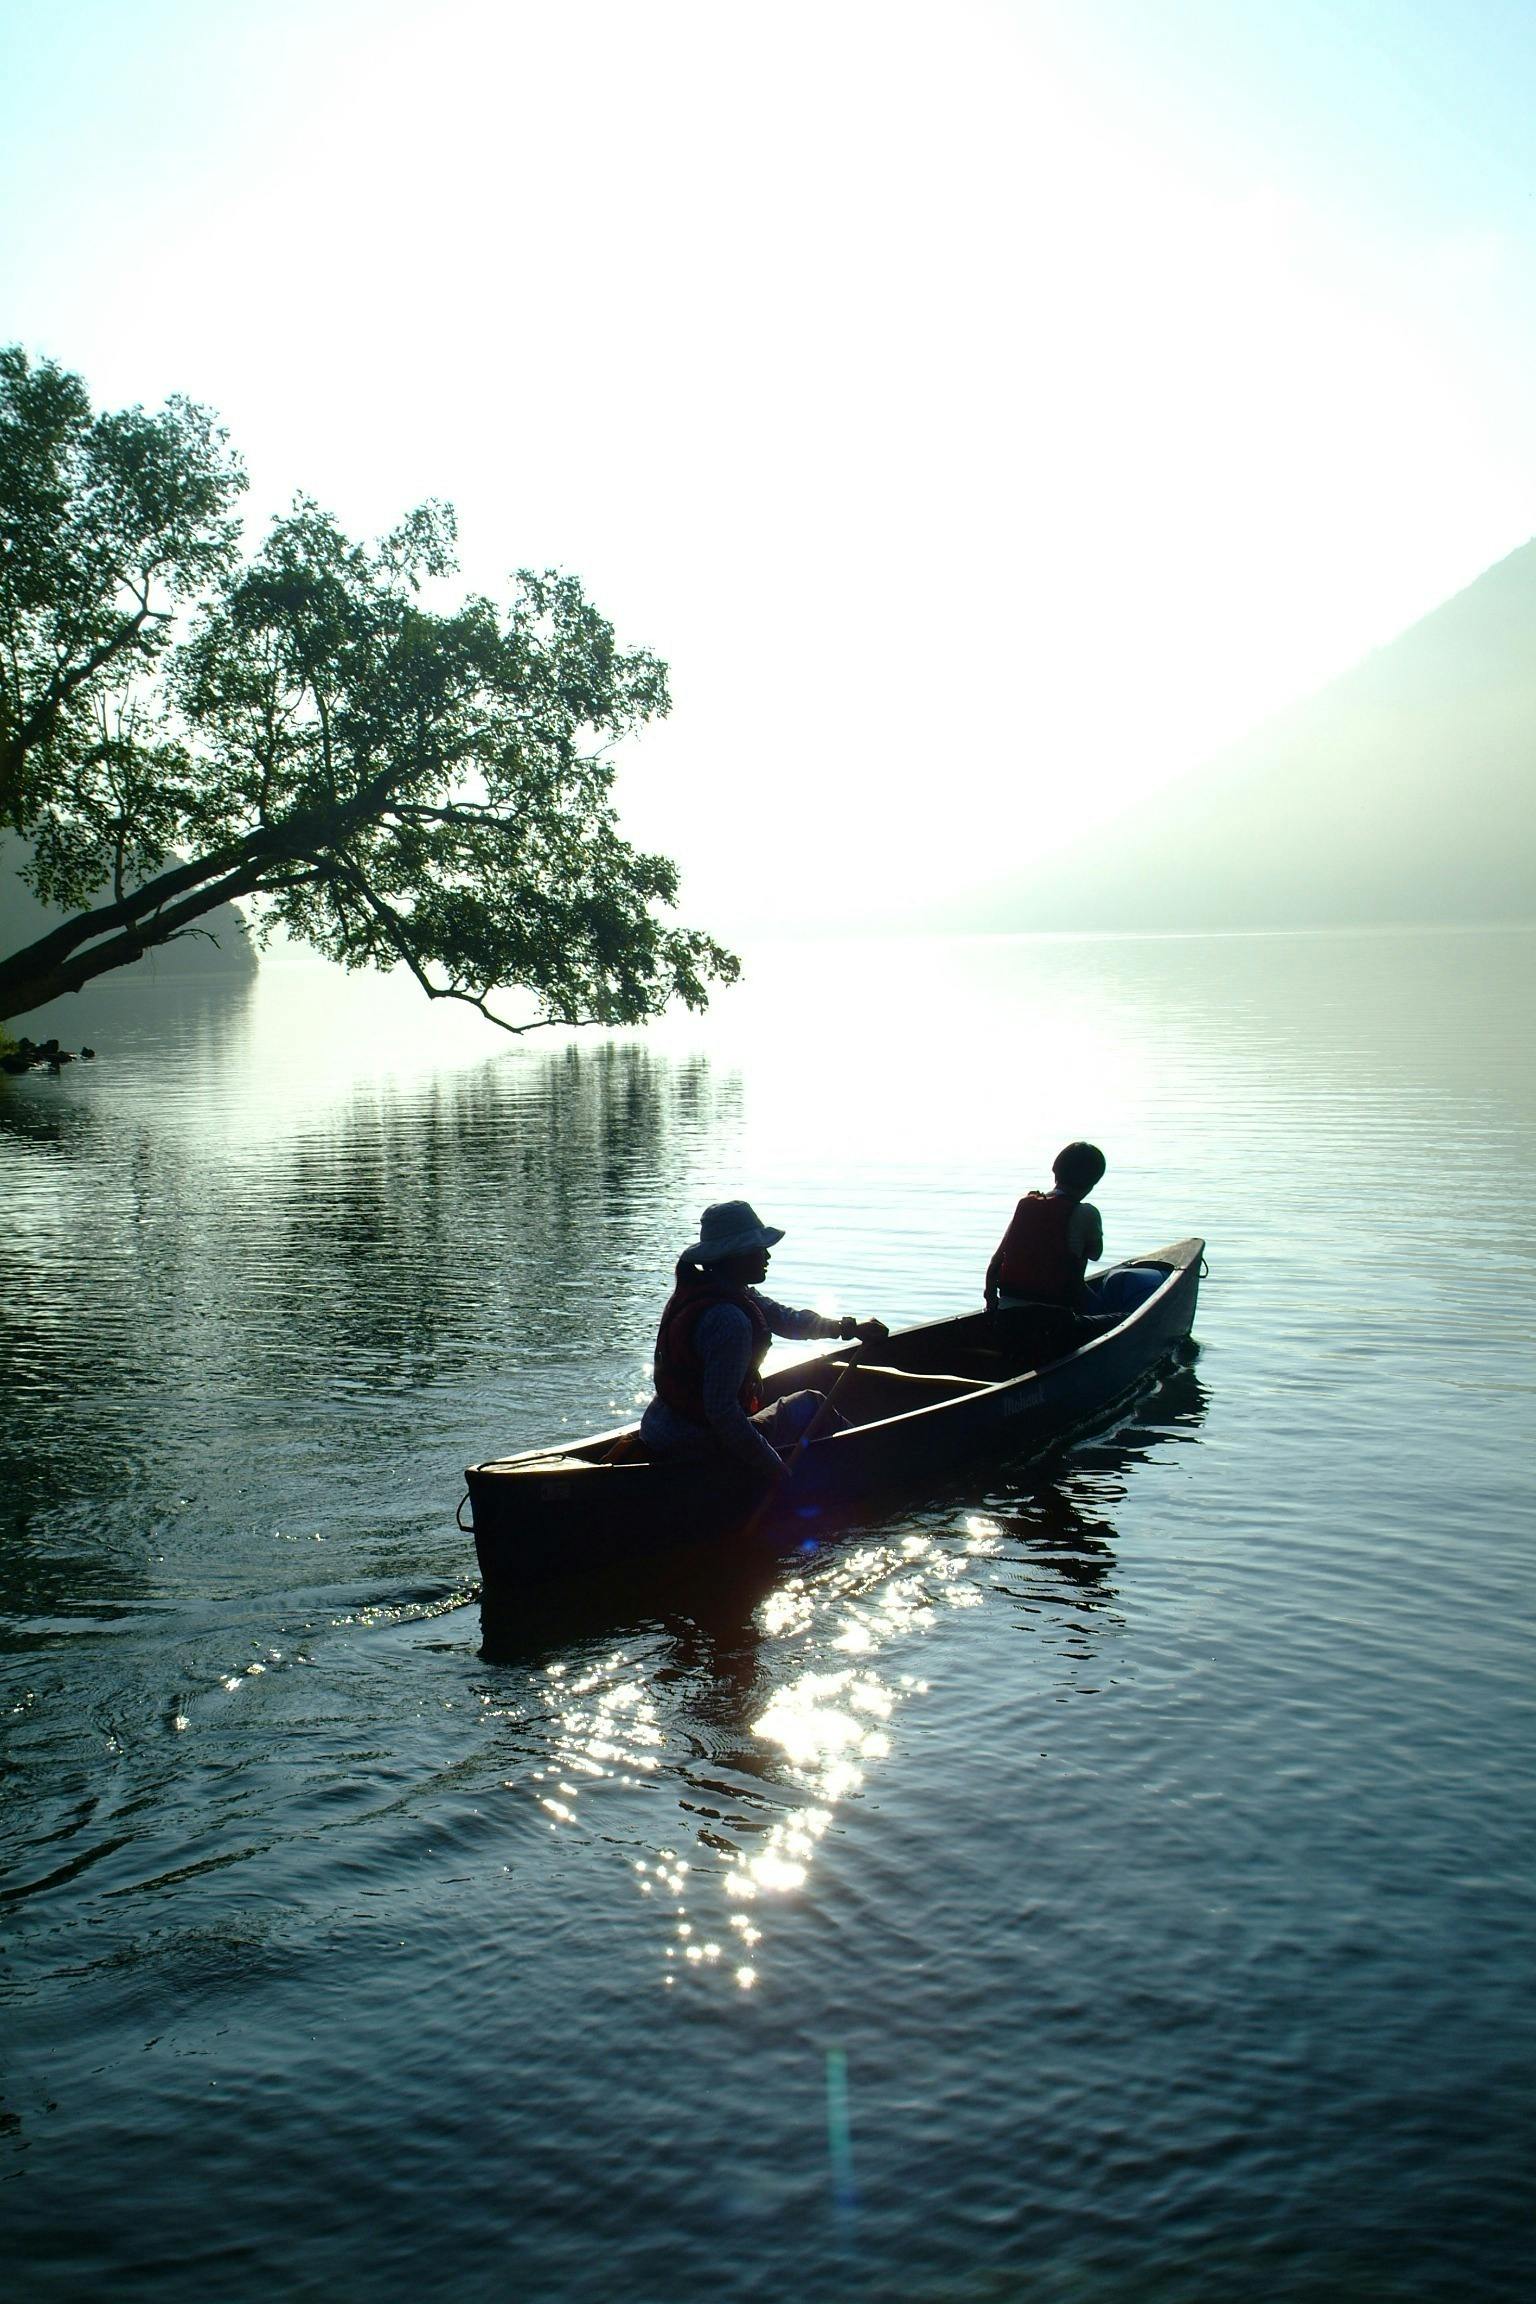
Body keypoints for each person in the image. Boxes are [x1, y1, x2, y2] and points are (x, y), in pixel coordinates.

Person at [641, 1200, 888, 1478]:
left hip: (658, 1430)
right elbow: (721, 1412)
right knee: (812, 1403)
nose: (767, 1256)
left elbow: (786, 1319)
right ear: (735, 1257)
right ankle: (875, 1469)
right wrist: (773, 1466)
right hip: (695, 1445)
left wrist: (849, 1328)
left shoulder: (716, 1288)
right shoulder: (729, 1319)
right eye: (758, 1249)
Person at [984, 1142, 1160, 1348]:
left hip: (1007, 1321)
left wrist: (992, 1309)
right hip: (1055, 1328)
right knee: (1129, 1318)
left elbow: (995, 1264)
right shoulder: (1086, 1213)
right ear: (1094, 1182)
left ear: (1055, 1171)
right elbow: (1095, 1253)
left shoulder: (1026, 1205)